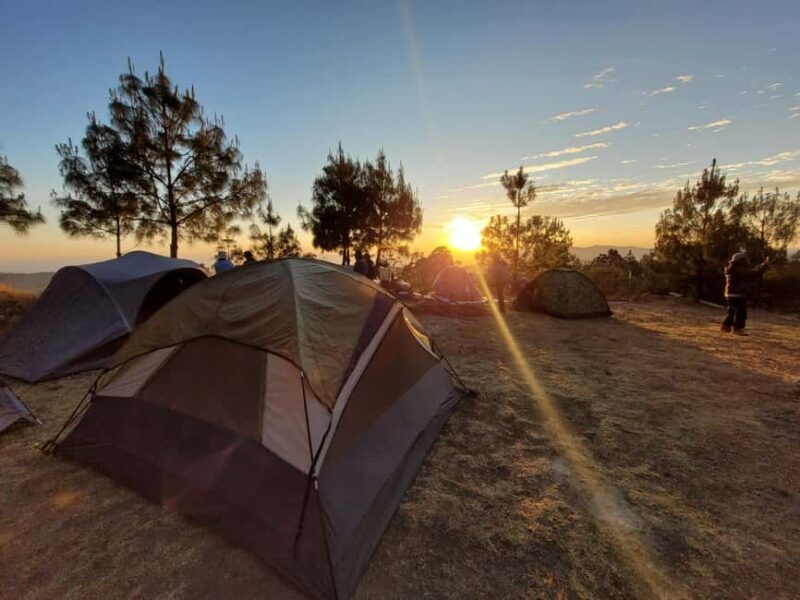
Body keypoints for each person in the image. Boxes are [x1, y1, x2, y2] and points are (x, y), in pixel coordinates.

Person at [721, 251, 769, 336]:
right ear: (740, 261)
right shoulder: (737, 270)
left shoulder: (730, 269)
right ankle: (737, 329)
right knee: (741, 312)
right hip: (737, 294)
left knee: (732, 311)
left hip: (729, 293)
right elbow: (753, 273)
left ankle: (726, 326)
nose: (747, 261)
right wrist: (763, 265)